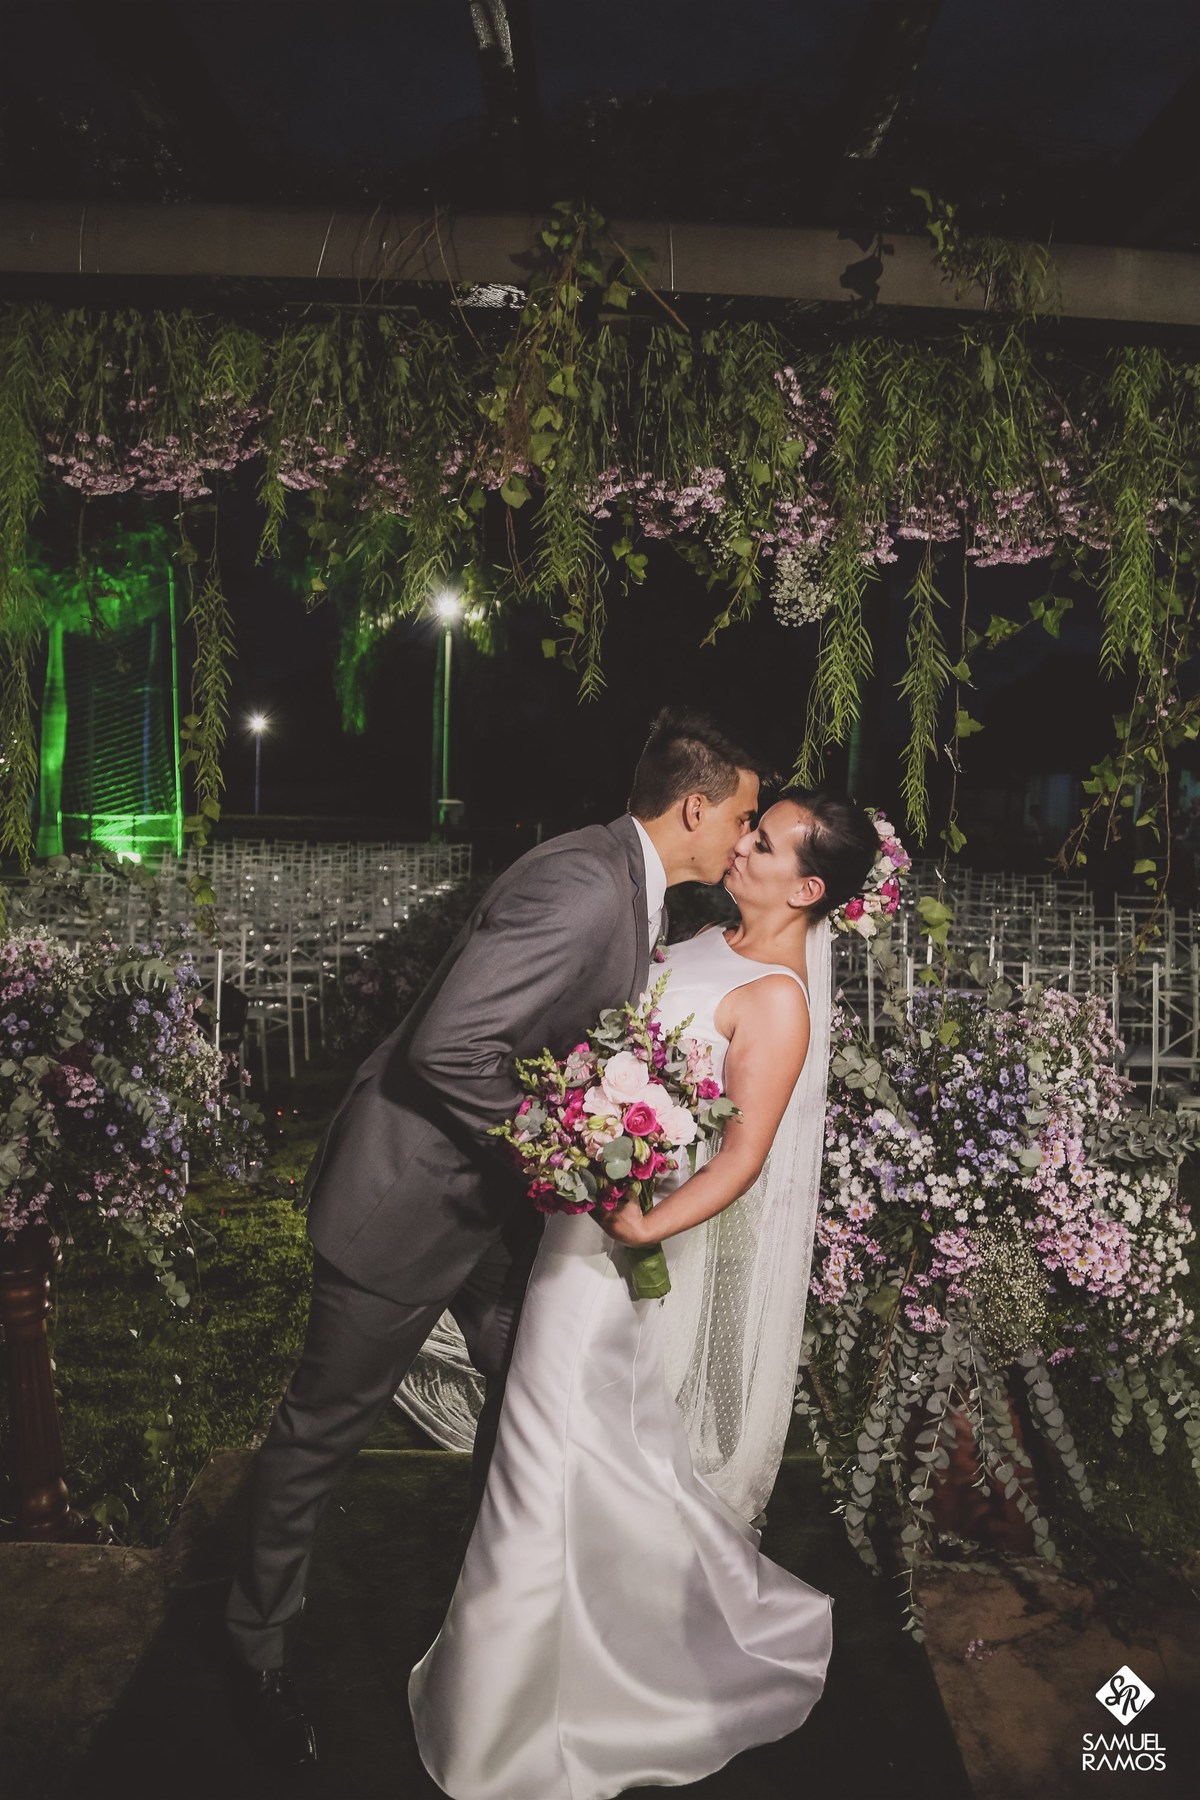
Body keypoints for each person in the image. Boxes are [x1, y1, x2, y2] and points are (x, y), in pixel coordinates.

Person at [223, 707, 766, 1767]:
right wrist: (574, 1151)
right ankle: (255, 1651)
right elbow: (450, 1046)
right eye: (744, 816)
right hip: (408, 1201)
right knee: (322, 1433)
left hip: (492, 1213)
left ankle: (498, 1620)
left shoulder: (626, 884)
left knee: (534, 1402)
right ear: (696, 807)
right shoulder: (585, 888)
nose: (747, 836)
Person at [409, 788, 879, 1800]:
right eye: (751, 827)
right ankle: (577, 1653)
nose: (741, 844)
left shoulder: (778, 1001)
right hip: (573, 1222)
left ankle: (507, 1716)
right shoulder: (704, 939)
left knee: (545, 1445)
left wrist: (643, 1226)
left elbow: (744, 1156)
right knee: (585, 1447)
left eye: (765, 841)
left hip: (611, 1251)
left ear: (806, 889)